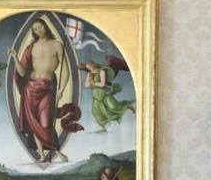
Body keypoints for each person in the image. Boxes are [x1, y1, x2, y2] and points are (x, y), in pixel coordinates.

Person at [8, 18, 70, 163]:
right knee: (33, 123)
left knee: (45, 123)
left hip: (47, 88)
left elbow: (66, 71)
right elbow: (22, 73)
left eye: (40, 27)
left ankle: (57, 152)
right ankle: (42, 155)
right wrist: (15, 57)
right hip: (30, 88)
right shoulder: (31, 47)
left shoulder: (57, 45)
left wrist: (61, 90)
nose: (38, 31)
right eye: (35, 29)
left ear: (45, 26)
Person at [81, 59, 135, 130]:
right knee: (95, 112)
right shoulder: (89, 74)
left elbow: (103, 84)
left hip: (104, 93)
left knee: (113, 106)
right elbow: (86, 85)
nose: (89, 68)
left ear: (93, 64)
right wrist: (90, 84)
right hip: (96, 95)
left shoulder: (101, 71)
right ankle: (103, 128)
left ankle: (128, 106)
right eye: (88, 68)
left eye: (90, 66)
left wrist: (94, 84)